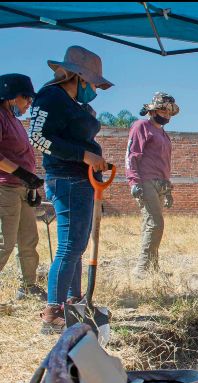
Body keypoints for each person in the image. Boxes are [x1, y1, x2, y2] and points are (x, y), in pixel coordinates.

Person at [28, 46, 113, 332]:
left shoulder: (75, 104)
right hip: (66, 179)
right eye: (92, 83)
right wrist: (84, 155)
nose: (94, 90)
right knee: (68, 246)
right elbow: (37, 137)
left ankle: (75, 305)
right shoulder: (51, 97)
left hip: (82, 179)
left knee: (77, 244)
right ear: (77, 76)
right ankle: (53, 311)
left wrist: (95, 160)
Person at [0, 73, 46, 301]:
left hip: (21, 188)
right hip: (4, 188)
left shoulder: (15, 121)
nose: (29, 103)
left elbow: (22, 157)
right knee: (4, 243)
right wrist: (22, 174)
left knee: (28, 240)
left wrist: (31, 186)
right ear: (10, 96)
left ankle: (28, 287)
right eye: (26, 98)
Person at [126, 92, 179, 276]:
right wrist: (134, 181)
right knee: (155, 223)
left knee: (153, 225)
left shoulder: (163, 134)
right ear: (153, 109)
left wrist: (168, 188)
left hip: (161, 184)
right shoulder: (141, 126)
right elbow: (132, 154)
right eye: (163, 110)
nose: (166, 115)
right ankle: (142, 269)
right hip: (146, 181)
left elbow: (165, 163)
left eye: (169, 112)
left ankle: (153, 268)